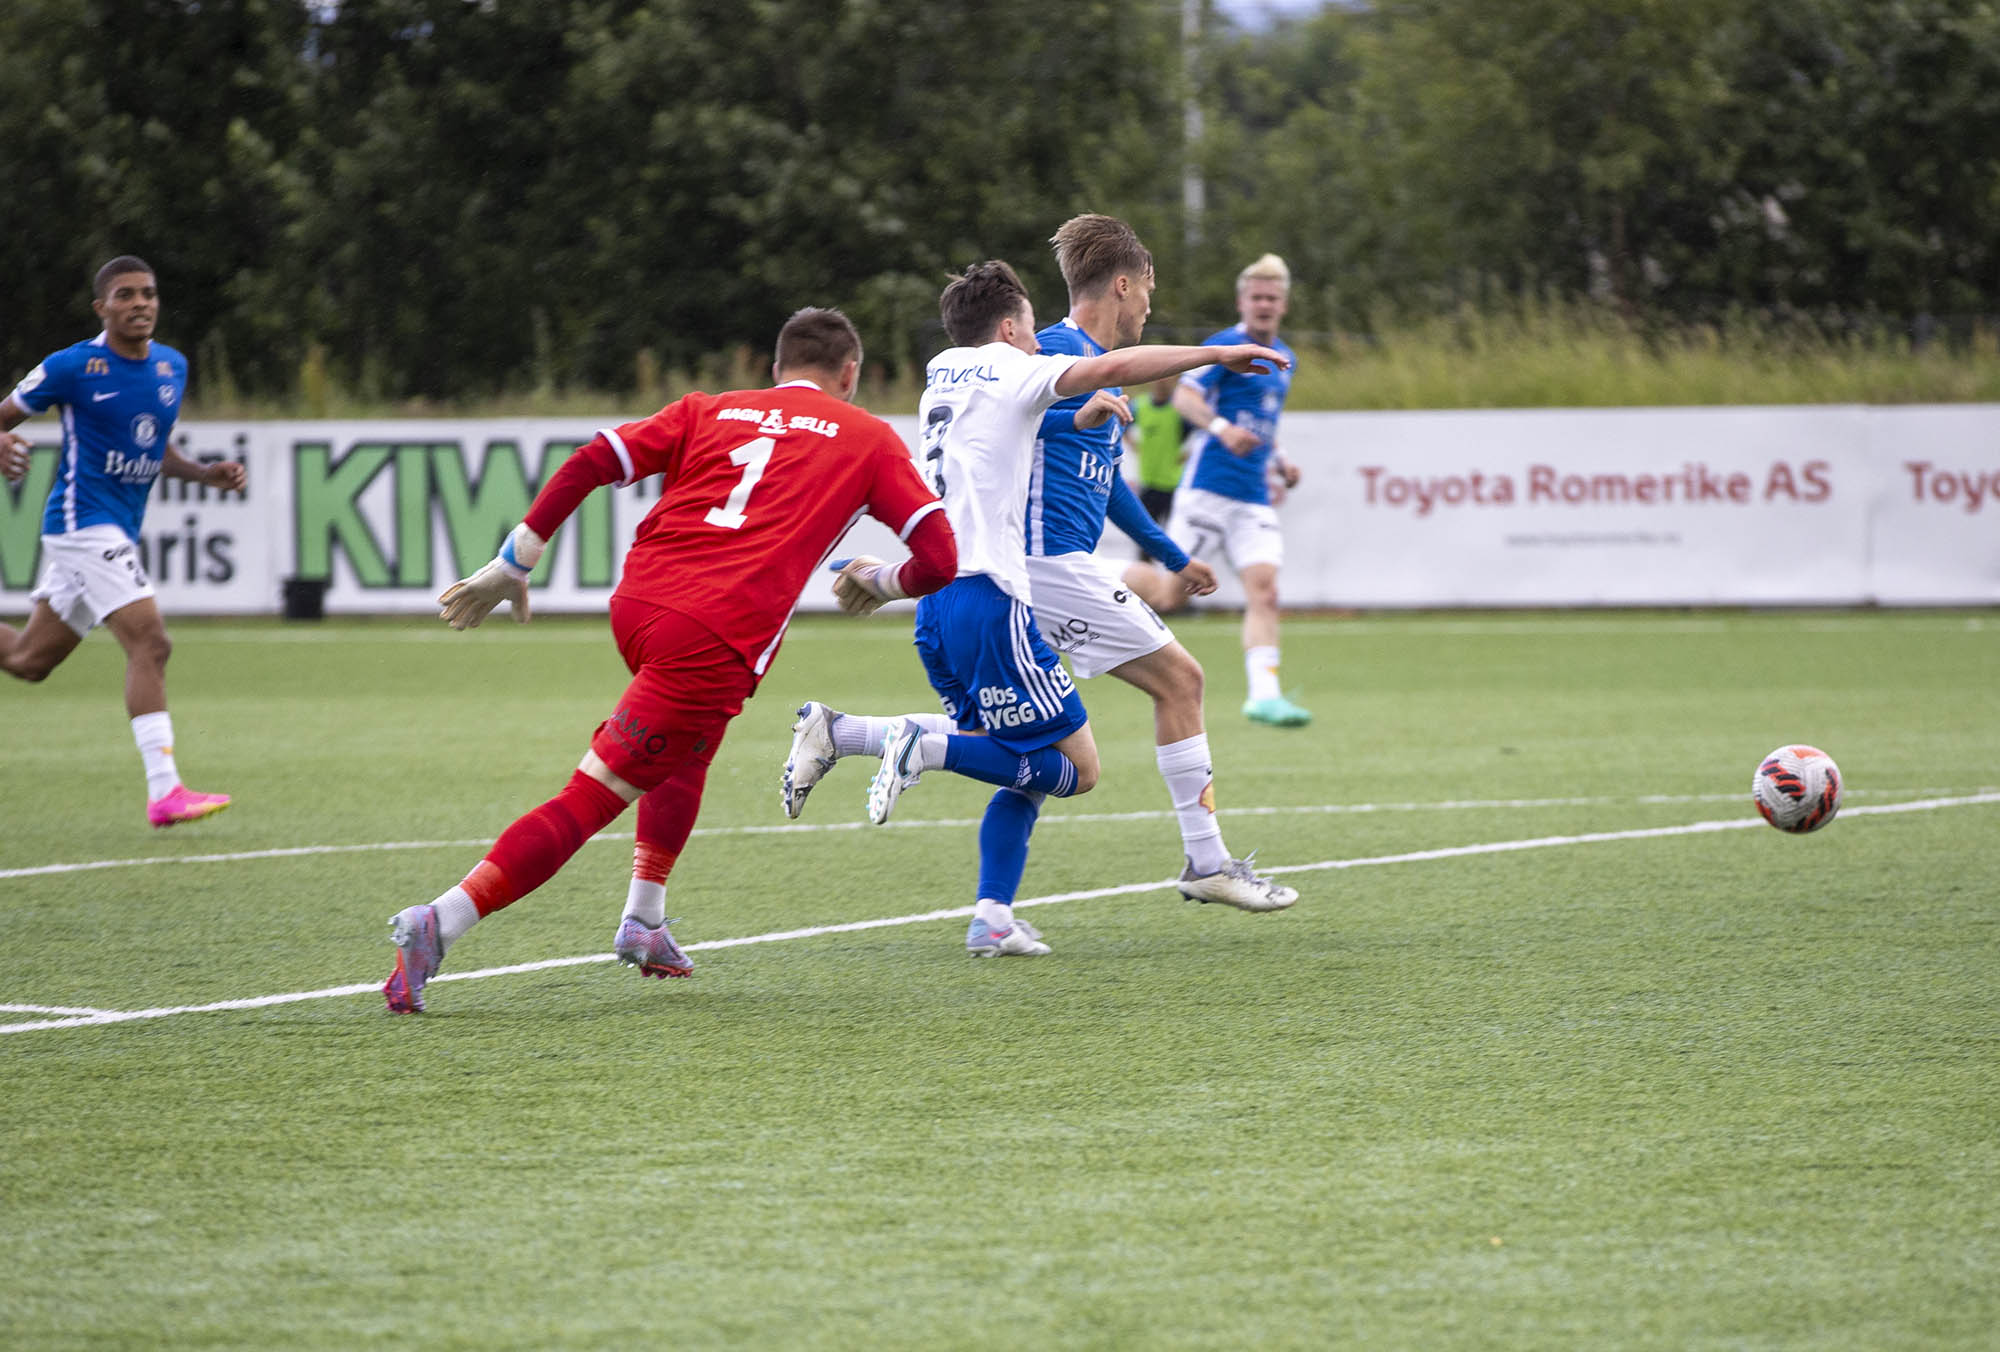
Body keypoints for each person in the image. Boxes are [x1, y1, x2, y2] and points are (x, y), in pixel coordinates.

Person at [383, 307, 958, 1013]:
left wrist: (515, 560)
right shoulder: (867, 437)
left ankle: (644, 920)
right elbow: (941, 559)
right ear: (851, 375)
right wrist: (879, 581)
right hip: (712, 634)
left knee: (691, 747)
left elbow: (593, 456)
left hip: (640, 606)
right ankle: (440, 921)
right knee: (592, 797)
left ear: (776, 372)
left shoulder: (709, 409)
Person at [781, 259, 1290, 957]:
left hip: (939, 593)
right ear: (1012, 328)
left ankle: (977, 895)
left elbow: (1004, 440)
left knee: (1014, 753)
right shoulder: (1018, 364)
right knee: (1080, 762)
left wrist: (883, 574)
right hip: (1001, 590)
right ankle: (921, 748)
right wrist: (1215, 350)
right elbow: (1119, 367)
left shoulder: (943, 372)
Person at [0, 256, 246, 827]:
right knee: (152, 643)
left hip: (112, 529)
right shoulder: (73, 366)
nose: (140, 303)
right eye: (126, 294)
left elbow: (154, 450)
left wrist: (204, 473)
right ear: (102, 307)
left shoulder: (171, 367)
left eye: (149, 294)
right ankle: (164, 791)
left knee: (28, 660)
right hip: (82, 526)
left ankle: (165, 792)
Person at [1125, 253, 1309, 728]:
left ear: (1283, 305)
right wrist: (1222, 428)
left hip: (1253, 497)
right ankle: (1092, 575)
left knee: (1265, 592)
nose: (1264, 305)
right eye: (1257, 297)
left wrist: (1281, 459)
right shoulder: (1226, 346)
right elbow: (1186, 398)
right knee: (1170, 595)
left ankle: (1263, 695)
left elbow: (1265, 424)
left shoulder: (1285, 359)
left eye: (1272, 298)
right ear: (1242, 302)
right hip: (1208, 490)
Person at [1129, 375, 1186, 526]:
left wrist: (1188, 453)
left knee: (1173, 532)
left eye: (1167, 378)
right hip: (1148, 479)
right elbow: (1122, 426)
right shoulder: (1139, 406)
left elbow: (1198, 433)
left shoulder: (1180, 408)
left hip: (1174, 482)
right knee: (1146, 532)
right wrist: (1133, 445)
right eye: (1158, 377)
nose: (1161, 381)